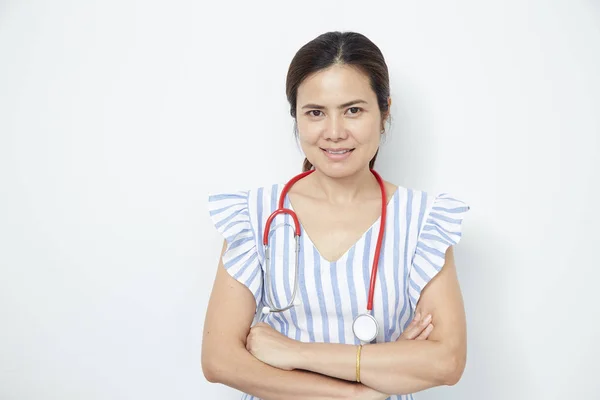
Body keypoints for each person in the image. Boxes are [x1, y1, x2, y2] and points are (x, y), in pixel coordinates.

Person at [202, 31, 470, 400]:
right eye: (315, 113)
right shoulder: (254, 215)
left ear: (384, 111)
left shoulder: (423, 220)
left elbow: (446, 361)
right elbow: (220, 361)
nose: (334, 132)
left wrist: (295, 352)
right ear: (296, 115)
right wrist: (361, 388)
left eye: (353, 110)